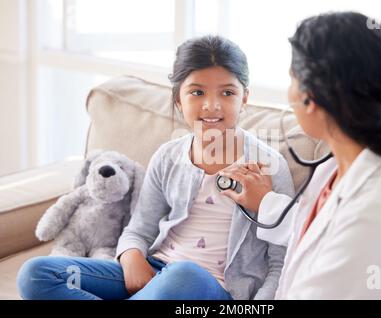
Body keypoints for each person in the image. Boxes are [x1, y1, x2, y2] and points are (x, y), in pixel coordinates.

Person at [16, 35, 294, 300]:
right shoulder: (168, 156)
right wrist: (131, 256)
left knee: (185, 275)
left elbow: (280, 262)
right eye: (197, 92)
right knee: (36, 274)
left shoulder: (269, 166)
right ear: (178, 99)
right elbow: (139, 229)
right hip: (156, 275)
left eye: (227, 93)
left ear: (244, 97)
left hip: (209, 289)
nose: (212, 105)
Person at [219, 12, 381, 299]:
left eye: (292, 79)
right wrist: (267, 203)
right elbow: (318, 238)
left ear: (310, 97)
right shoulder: (334, 169)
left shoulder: (377, 212)